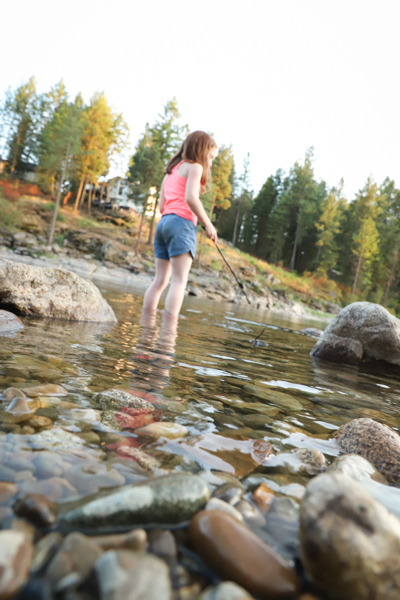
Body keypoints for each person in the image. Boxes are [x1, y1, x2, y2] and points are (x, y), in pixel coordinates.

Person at [143, 130, 218, 316]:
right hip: (181, 224)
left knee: (159, 281)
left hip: (163, 223)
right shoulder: (195, 167)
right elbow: (191, 197)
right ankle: (169, 330)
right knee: (178, 281)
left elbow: (162, 206)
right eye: (210, 157)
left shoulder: (170, 172)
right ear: (201, 151)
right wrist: (208, 224)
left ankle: (146, 324)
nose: (210, 163)